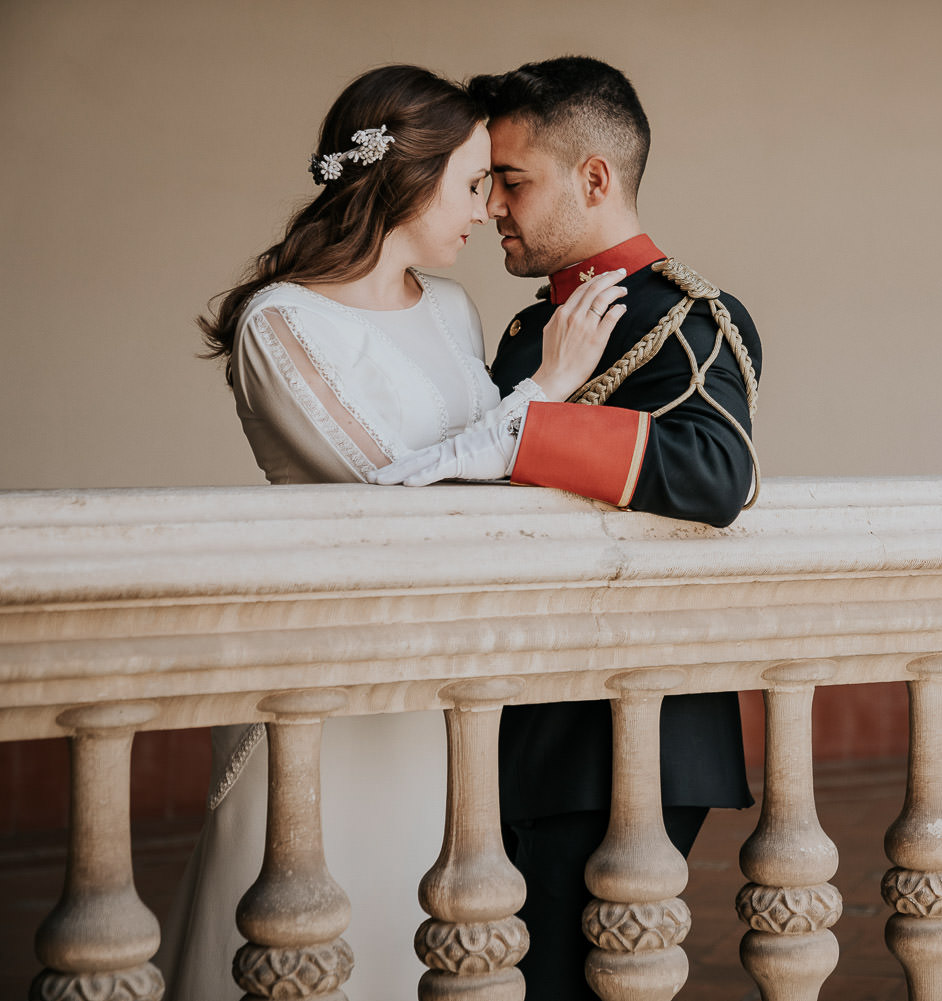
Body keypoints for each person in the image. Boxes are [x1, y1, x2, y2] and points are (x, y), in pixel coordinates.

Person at [160, 64, 627, 999]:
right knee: (314, 924)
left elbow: (488, 474)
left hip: (445, 670)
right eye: (470, 182)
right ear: (408, 181)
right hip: (326, 673)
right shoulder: (280, 322)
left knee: (442, 923)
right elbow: (385, 485)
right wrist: (544, 392)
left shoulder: (453, 309)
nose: (489, 207)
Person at [377, 56, 762, 1001]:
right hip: (519, 710)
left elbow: (718, 472)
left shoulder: (689, 316)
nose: (494, 206)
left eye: (512, 180)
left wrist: (530, 425)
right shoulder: (522, 331)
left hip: (627, 729)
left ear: (593, 178)